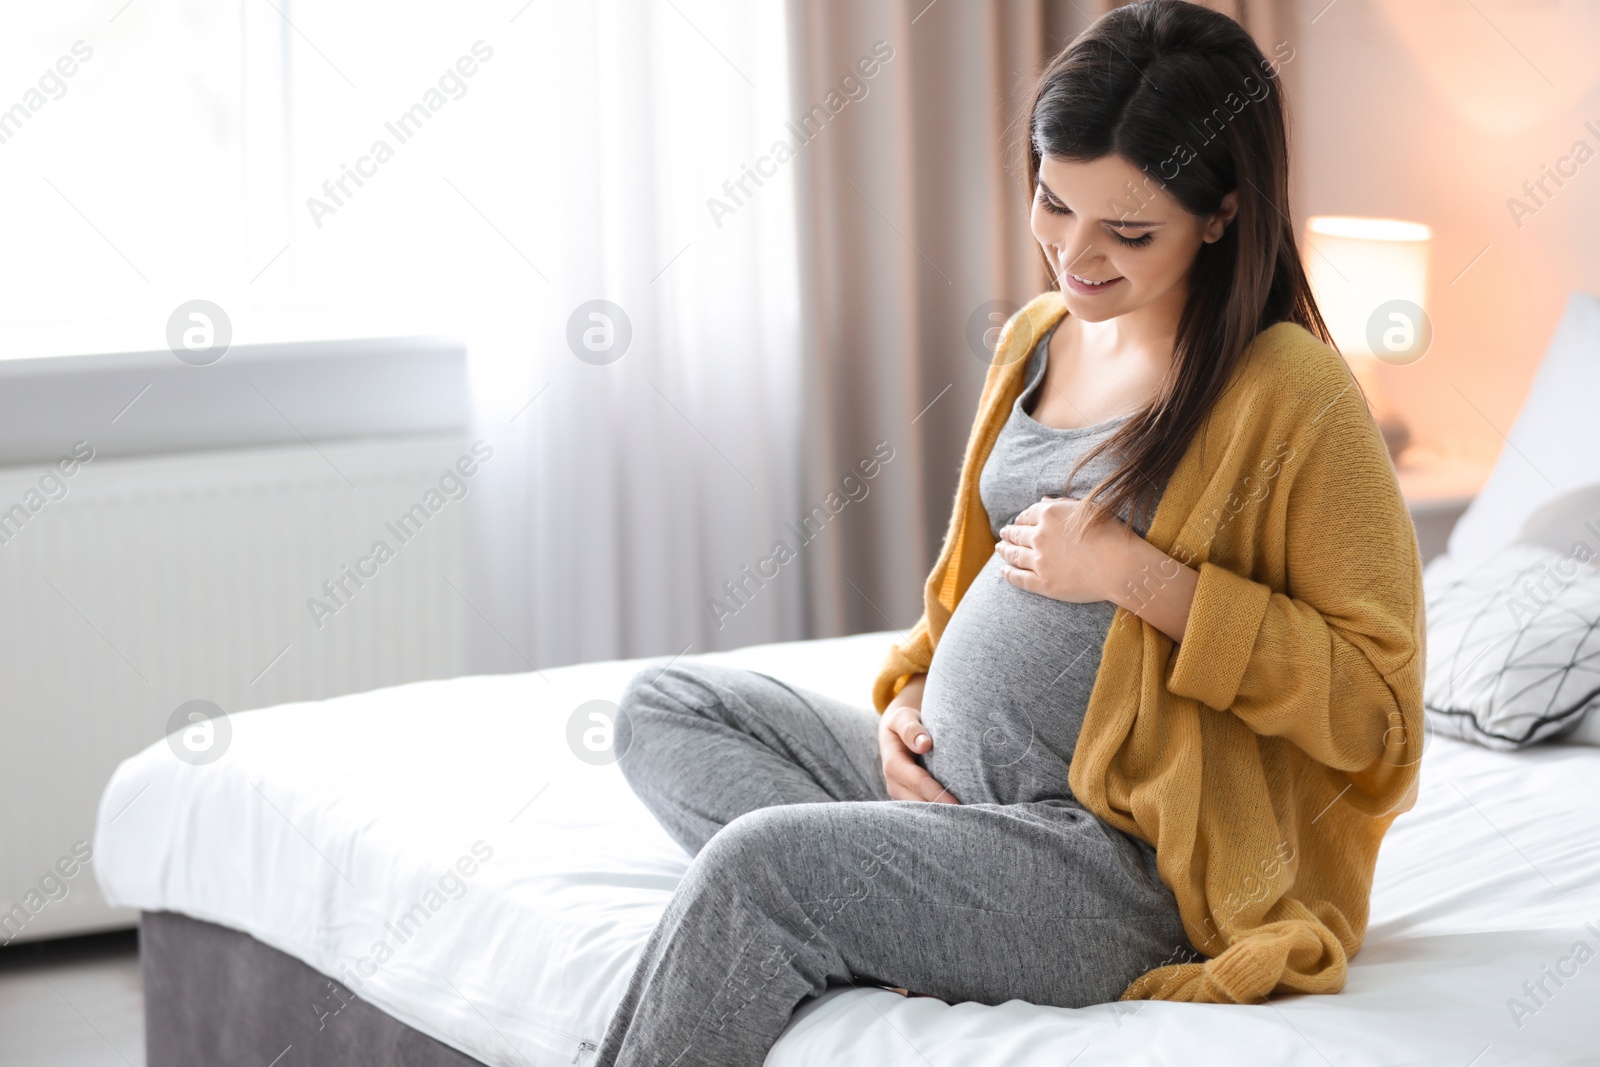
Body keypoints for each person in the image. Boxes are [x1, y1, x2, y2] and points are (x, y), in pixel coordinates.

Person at [593, 2, 1424, 1063]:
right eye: (1051, 201)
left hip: (1117, 860)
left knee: (758, 868)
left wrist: (1139, 575)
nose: (1074, 256)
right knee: (664, 707)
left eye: (1127, 232)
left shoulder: (1288, 391)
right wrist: (901, 708)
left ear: (1220, 213)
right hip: (956, 796)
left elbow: (1378, 721)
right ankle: (908, 906)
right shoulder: (1039, 336)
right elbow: (957, 593)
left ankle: (878, 907)